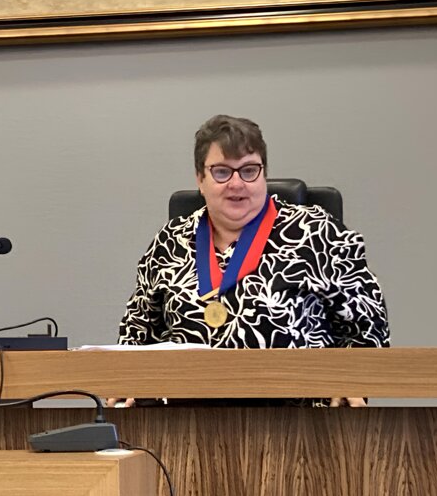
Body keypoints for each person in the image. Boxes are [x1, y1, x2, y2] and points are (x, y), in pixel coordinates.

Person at [116, 115, 390, 407]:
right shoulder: (169, 242)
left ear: (264, 174)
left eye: (249, 171)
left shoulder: (319, 234)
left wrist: (350, 384)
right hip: (183, 429)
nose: (237, 184)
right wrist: (128, 383)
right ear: (200, 179)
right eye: (222, 172)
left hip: (304, 429)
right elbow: (135, 335)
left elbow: (368, 332)